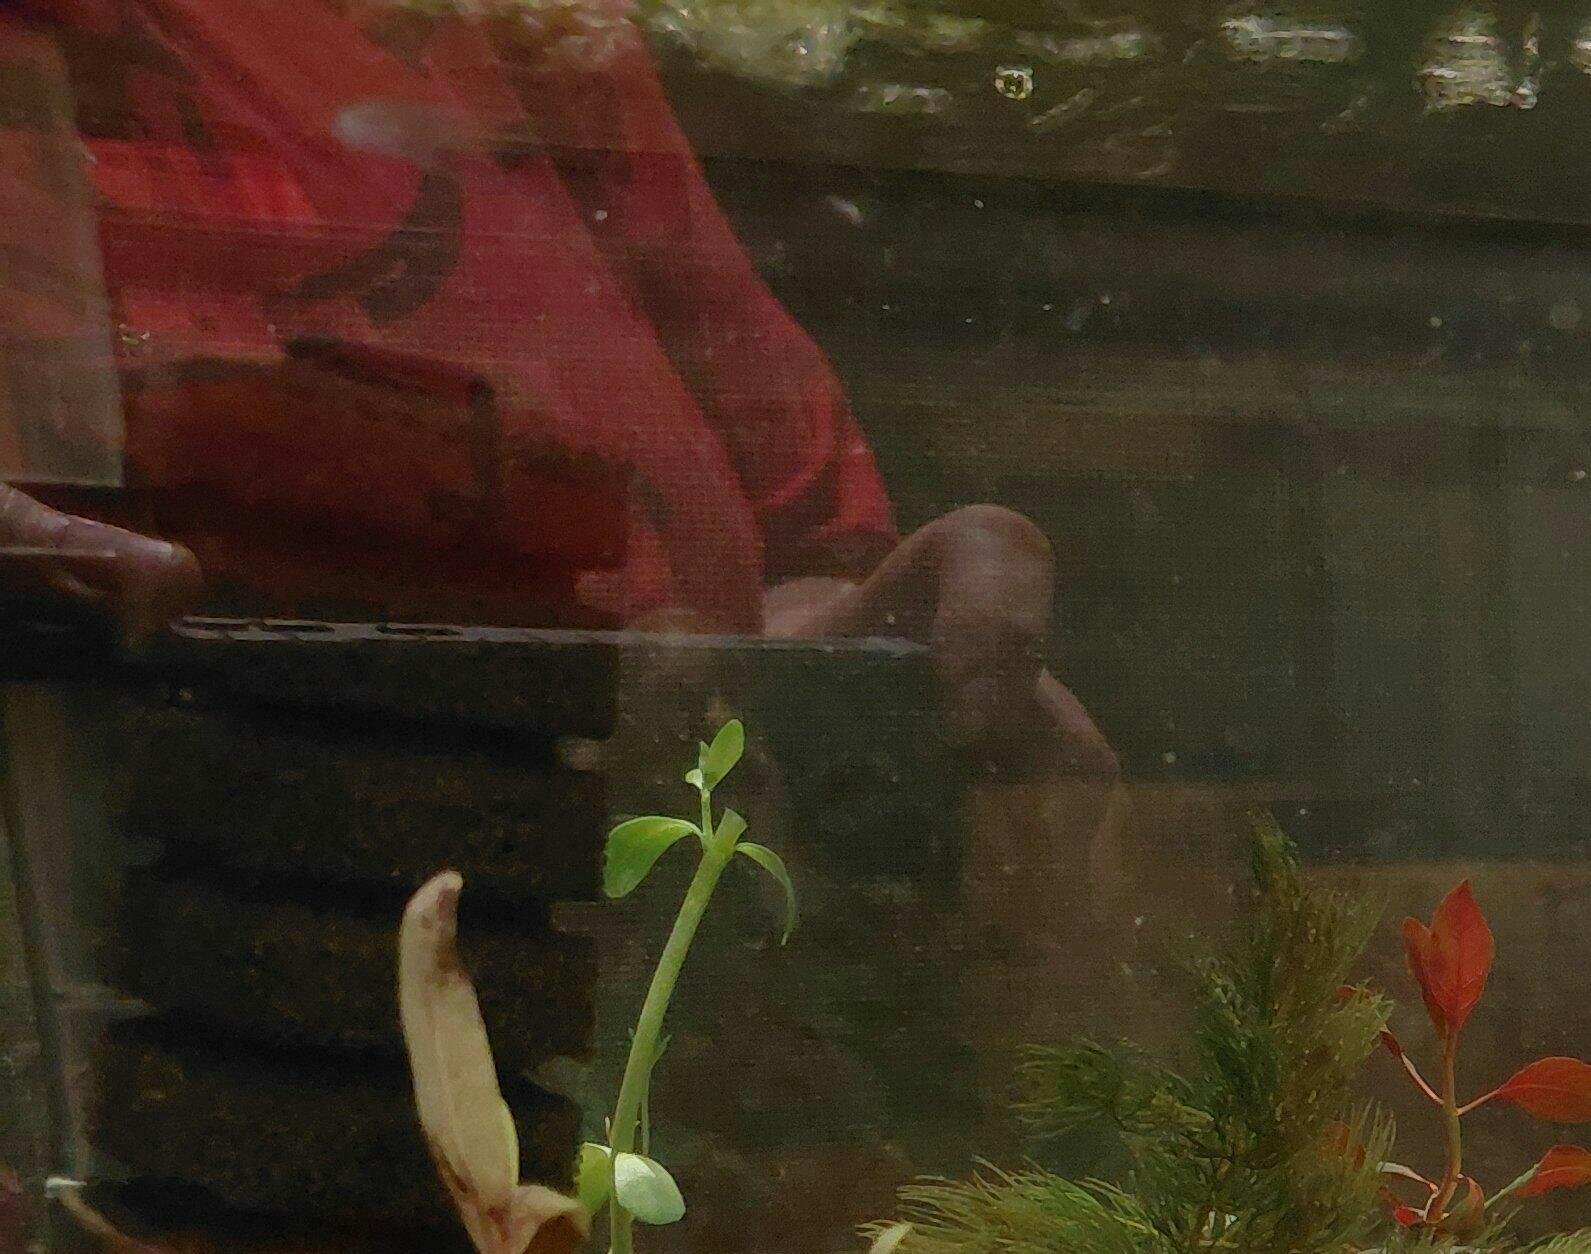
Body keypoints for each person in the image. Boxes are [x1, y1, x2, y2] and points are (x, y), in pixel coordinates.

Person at [0, 0, 1106, 781]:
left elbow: (781, 560)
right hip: (211, 906)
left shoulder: (537, 37)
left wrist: (867, 669)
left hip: (612, 941)